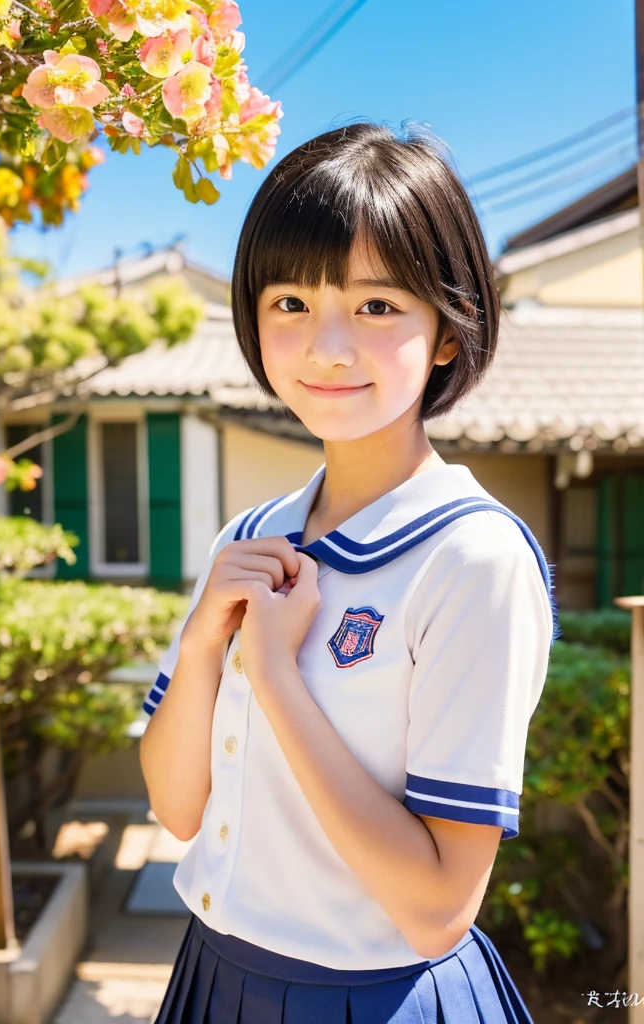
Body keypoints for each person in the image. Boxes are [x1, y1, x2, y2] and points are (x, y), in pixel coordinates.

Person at [139, 120, 559, 1024]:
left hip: (373, 999)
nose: (327, 346)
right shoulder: (250, 537)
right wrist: (207, 634)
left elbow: (438, 908)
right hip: (212, 978)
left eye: (376, 307)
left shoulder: (471, 559)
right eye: (290, 302)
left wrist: (278, 673)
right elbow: (176, 810)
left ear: (448, 332)